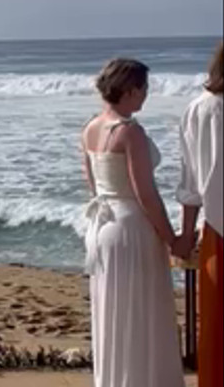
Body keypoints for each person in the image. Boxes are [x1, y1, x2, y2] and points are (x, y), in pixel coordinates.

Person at [81, 58, 185, 387]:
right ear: (130, 90)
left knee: (112, 311)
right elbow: (146, 194)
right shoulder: (130, 131)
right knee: (141, 311)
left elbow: (92, 185)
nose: (146, 96)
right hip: (130, 227)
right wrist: (172, 238)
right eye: (144, 89)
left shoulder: (90, 128)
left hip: (101, 225)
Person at [176, 41, 223, 387]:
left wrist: (185, 234)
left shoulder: (197, 109)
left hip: (215, 230)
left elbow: (190, 182)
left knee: (215, 326)